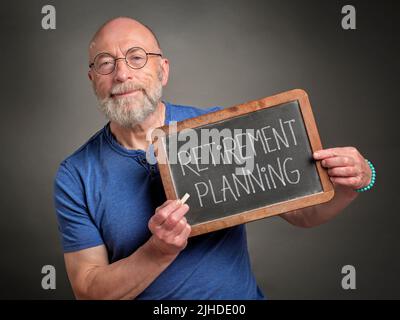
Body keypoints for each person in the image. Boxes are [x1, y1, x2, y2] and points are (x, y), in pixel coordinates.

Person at [54, 17, 374, 300]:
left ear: (162, 70)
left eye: (136, 57)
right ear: (93, 78)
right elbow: (89, 289)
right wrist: (158, 251)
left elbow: (302, 213)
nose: (122, 73)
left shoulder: (220, 130)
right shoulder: (76, 175)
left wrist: (354, 181)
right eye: (105, 63)